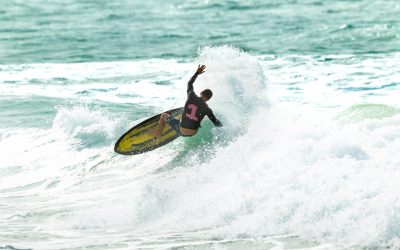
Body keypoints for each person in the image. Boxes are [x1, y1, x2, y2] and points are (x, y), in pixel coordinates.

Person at [149, 65, 223, 138]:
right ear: (208, 100)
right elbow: (216, 122)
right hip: (193, 133)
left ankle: (158, 133)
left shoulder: (191, 95)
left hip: (182, 130)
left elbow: (190, 83)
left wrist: (197, 73)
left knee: (164, 115)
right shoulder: (207, 109)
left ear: (201, 93)